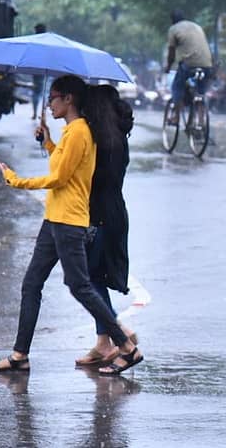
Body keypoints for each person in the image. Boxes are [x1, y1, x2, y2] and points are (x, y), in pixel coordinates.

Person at [0, 75, 143, 375]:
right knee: (32, 283)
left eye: (53, 98)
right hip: (53, 219)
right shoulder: (71, 132)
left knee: (80, 285)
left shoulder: (81, 131)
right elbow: (64, 164)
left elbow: (59, 178)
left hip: (69, 221)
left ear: (69, 99)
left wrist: (17, 181)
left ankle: (126, 346)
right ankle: (20, 355)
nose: (49, 104)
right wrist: (49, 142)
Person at [75, 84, 139, 367]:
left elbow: (80, 177)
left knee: (87, 280)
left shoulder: (99, 141)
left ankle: (118, 331)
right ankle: (102, 343)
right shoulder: (117, 138)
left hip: (98, 215)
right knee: (97, 277)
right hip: (115, 213)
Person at [163, 11, 213, 119]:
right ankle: (201, 121)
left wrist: (168, 66)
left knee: (176, 87)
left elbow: (171, 52)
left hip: (189, 64)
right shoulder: (197, 27)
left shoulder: (174, 29)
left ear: (172, 21)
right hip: (207, 64)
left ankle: (176, 116)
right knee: (201, 92)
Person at [31, 24, 48, 120]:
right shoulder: (47, 42)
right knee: (44, 91)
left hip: (35, 70)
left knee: (36, 92)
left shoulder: (34, 41)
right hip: (44, 69)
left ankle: (35, 112)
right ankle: (42, 113)